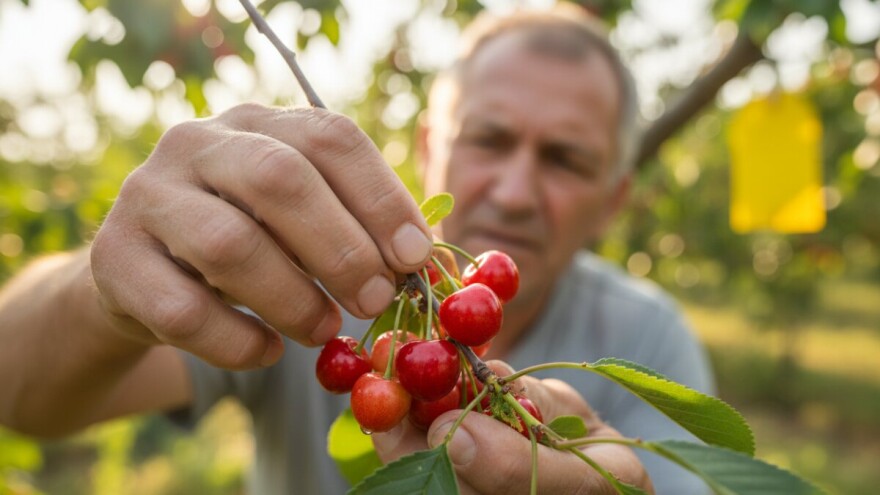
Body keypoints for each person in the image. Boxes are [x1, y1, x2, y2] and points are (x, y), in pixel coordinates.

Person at [0, 5, 714, 494]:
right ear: (432, 146)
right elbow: (15, 391)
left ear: (615, 200)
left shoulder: (647, 333)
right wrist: (105, 295)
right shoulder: (294, 274)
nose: (518, 190)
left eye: (565, 159)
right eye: (489, 139)